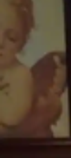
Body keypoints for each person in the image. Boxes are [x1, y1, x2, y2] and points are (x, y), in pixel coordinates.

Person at [0, 0, 67, 139]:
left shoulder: (20, 75)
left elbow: (12, 117)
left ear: (21, 43)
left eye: (11, 38)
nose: (0, 42)